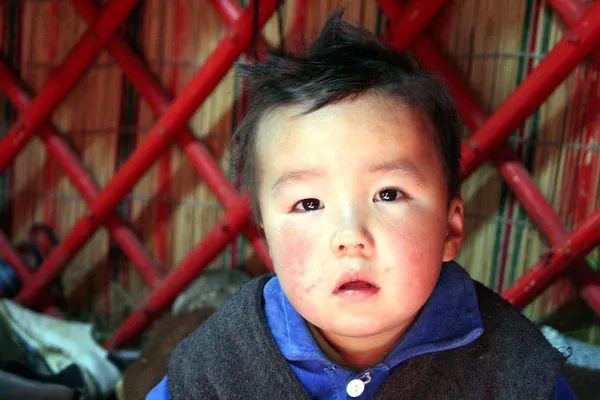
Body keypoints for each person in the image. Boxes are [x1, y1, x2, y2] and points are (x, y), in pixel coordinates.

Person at [146, 10, 578, 399]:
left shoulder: (512, 368)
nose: (350, 237)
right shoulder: (221, 361)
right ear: (269, 240)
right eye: (309, 203)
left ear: (450, 230)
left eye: (388, 194)